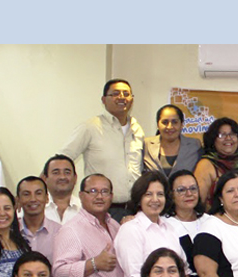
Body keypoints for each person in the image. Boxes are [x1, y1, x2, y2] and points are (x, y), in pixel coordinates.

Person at [60, 79, 143, 217]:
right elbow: (61, 159)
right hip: (102, 210)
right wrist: (42, 191)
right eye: (115, 93)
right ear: (104, 99)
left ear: (132, 100)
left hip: (133, 209)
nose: (122, 97)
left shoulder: (137, 129)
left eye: (126, 93)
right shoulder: (90, 127)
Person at [114, 171, 189, 277]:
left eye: (160, 194)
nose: (155, 200)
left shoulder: (170, 229)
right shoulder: (130, 230)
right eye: (148, 194)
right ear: (139, 198)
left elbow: (184, 273)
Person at [164, 169, 206, 277]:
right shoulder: (163, 224)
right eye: (181, 190)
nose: (189, 194)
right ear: (171, 194)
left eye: (193, 188)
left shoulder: (210, 221)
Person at [143, 104, 202, 177]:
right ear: (158, 125)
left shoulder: (195, 146)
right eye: (165, 122)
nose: (170, 127)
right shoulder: (146, 145)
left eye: (175, 122)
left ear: (182, 124)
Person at [16, 176, 61, 266]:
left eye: (38, 193)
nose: (33, 199)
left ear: (47, 198)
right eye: (26, 194)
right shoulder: (10, 231)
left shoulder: (60, 232)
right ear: (18, 200)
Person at [41, 154, 80, 224]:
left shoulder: (85, 209)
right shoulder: (33, 208)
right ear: (45, 178)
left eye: (67, 172)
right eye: (56, 173)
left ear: (75, 178)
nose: (62, 177)